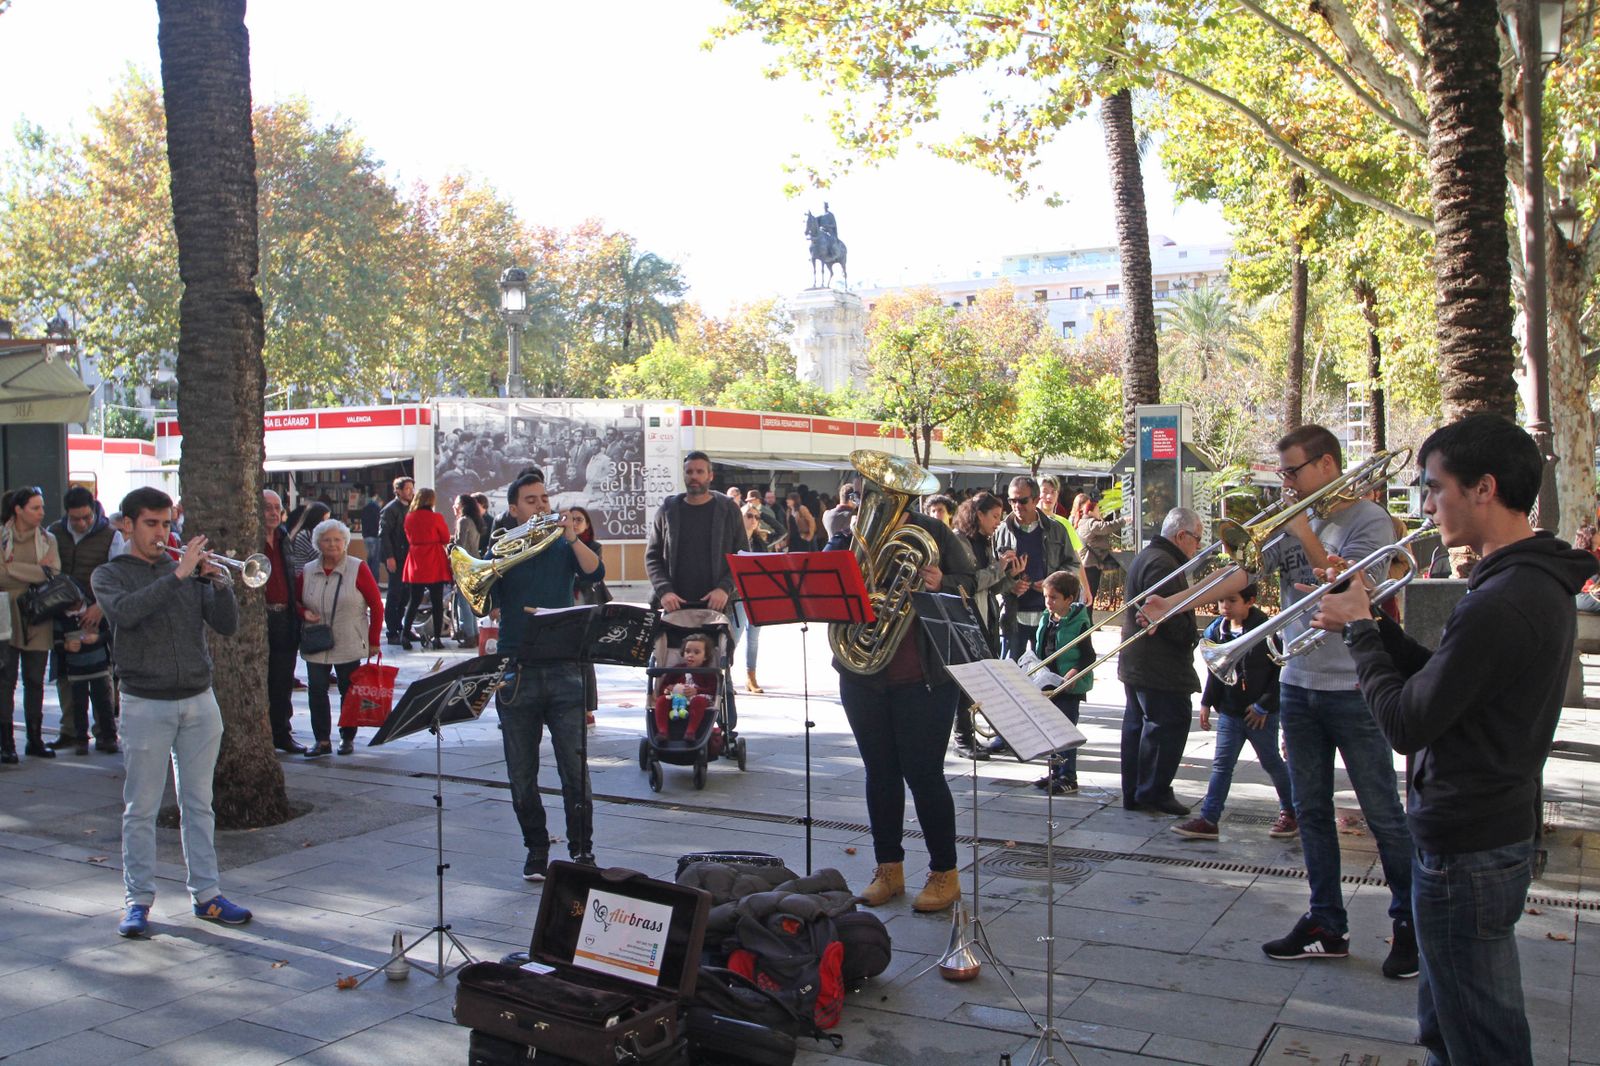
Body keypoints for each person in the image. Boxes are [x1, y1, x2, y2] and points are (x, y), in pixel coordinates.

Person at [1307, 414, 1596, 1063]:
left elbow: (1408, 722)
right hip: (1484, 833)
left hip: (1468, 848)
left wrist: (1358, 634)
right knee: (1448, 1029)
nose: (1427, 503)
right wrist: (1376, 622)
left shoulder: (1504, 598)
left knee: (1481, 1039)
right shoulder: (1523, 579)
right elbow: (1448, 682)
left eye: (1436, 487)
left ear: (1483, 488)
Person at [1143, 425, 1417, 979]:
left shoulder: (1369, 521)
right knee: (1310, 810)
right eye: (1284, 473)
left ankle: (1410, 923)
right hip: (1299, 680)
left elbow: (1348, 592)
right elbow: (1244, 573)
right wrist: (1173, 601)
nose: (1286, 482)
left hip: (1355, 687)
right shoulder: (1299, 517)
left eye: (1292, 471)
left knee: (1385, 812)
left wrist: (1304, 531)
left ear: (1326, 465)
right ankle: (1325, 922)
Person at [93, 486, 252, 937]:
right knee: (140, 809)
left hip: (199, 700)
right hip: (145, 701)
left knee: (199, 805)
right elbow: (126, 614)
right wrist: (180, 575)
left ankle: (207, 896)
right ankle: (138, 900)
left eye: (166, 524)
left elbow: (227, 624)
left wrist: (217, 583)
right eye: (151, 524)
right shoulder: (111, 575)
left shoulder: (183, 571)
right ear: (127, 525)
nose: (161, 533)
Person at [840, 475, 976, 914]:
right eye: (866, 489)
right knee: (879, 773)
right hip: (862, 673)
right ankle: (888, 868)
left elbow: (969, 579)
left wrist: (941, 581)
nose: (870, 497)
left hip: (922, 677)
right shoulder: (850, 533)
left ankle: (944, 873)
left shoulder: (932, 531)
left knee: (923, 774)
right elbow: (826, 588)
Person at [492, 473, 604, 882]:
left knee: (575, 770)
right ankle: (536, 849)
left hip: (563, 669)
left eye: (544, 498)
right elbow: (480, 599)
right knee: (521, 774)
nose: (540, 505)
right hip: (515, 672)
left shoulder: (562, 544)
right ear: (514, 509)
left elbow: (595, 572)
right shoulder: (501, 548)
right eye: (530, 500)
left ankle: (582, 849)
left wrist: (573, 536)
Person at [1171, 583, 1297, 841]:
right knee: (1222, 766)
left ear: (1249, 601)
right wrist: (1207, 702)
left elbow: (1280, 673)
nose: (1224, 607)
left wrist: (1264, 704)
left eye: (1231, 601)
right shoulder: (1218, 629)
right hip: (1230, 709)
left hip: (1260, 713)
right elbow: (1216, 670)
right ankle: (1209, 819)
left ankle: (1292, 811)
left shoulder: (1267, 630)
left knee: (1271, 761)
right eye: (1221, 602)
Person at [1107, 507, 1203, 816]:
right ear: (1181, 536)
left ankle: (1137, 792)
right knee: (1164, 725)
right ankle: (1152, 791)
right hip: (1158, 664)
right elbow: (1162, 615)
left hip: (1142, 662)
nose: (1198, 547)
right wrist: (1190, 633)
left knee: (1139, 725)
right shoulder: (1163, 563)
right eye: (1197, 540)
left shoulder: (1150, 556)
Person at [297, 518, 383, 757]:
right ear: (318, 543)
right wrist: (303, 612)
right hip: (316, 641)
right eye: (326, 540)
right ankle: (322, 740)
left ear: (345, 542)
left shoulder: (358, 567)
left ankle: (347, 737)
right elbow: (296, 601)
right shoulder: (307, 571)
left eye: (337, 540)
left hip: (348, 640)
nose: (332, 544)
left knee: (349, 690)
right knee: (316, 690)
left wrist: (374, 640)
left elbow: (376, 605)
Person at [47, 486, 121, 754]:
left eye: (86, 517)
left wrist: (100, 607)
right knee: (66, 673)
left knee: (101, 674)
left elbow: (117, 574)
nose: (81, 523)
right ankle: (71, 731)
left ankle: (105, 733)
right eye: (75, 518)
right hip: (64, 611)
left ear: (94, 510)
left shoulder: (111, 535)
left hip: (96, 610)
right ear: (67, 514)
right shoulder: (55, 532)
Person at [950, 492, 1017, 759]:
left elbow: (992, 586)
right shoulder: (959, 540)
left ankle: (970, 736)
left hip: (986, 615)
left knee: (977, 680)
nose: (998, 523)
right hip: (966, 616)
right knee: (966, 681)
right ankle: (962, 737)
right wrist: (999, 567)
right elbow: (972, 581)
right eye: (995, 516)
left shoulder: (986, 541)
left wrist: (1012, 576)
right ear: (979, 515)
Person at [1, 487, 63, 762]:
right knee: (6, 681)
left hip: (38, 616)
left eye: (42, 507)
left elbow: (53, 573)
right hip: (6, 616)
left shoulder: (48, 539)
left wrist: (11, 568)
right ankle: (6, 743)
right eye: (35, 508)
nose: (41, 513)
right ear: (18, 509)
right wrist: (37, 571)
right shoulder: (3, 537)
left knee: (35, 680)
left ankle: (35, 739)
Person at [994, 475, 1080, 660]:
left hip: (1048, 614)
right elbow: (992, 576)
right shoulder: (1000, 531)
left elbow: (1073, 564)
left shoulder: (1056, 529)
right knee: (1011, 676)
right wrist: (1011, 585)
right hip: (1012, 615)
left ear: (1035, 500)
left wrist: (1053, 583)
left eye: (1022, 500)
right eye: (1012, 500)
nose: (1017, 506)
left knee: (1046, 676)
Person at [1030, 570, 1092, 795]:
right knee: (1051, 729)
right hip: (1048, 683)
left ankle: (1069, 775)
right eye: (1046, 597)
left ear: (1069, 599)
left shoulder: (1080, 623)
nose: (1048, 602)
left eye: (1054, 598)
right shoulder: (1048, 618)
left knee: (1066, 730)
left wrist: (1073, 674)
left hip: (1068, 687)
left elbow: (1088, 656)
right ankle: (1055, 771)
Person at [260, 490, 307, 754]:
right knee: (261, 679)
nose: (273, 512)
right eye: (267, 507)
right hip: (261, 617)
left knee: (283, 680)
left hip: (284, 618)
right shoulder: (251, 540)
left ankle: (282, 733)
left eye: (277, 507)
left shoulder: (283, 537)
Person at [568, 505, 608, 722]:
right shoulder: (560, 545)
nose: (574, 523)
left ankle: (588, 708)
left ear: (587, 524)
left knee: (585, 658)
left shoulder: (594, 546)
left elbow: (590, 574)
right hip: (565, 606)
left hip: (586, 605)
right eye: (571, 519)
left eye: (579, 519)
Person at [401, 488, 451, 651]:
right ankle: (437, 638)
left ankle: (405, 634)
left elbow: (408, 536)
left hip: (416, 557)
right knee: (437, 602)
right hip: (433, 559)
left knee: (414, 600)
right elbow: (444, 538)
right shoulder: (436, 517)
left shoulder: (409, 517)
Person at [652, 633, 717, 739]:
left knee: (698, 701)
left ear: (705, 656)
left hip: (698, 700)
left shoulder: (708, 672)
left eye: (696, 652)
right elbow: (664, 686)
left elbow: (713, 690)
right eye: (687, 651)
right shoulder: (677, 669)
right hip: (676, 700)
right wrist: (669, 689)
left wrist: (697, 691)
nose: (690, 655)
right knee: (661, 700)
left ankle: (690, 731)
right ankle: (662, 731)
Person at [378, 476, 415, 645]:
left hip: (408, 557)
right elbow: (384, 534)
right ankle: (392, 631)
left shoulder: (411, 507)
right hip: (396, 557)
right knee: (395, 593)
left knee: (406, 594)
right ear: (398, 491)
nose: (411, 492)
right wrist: (389, 557)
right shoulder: (390, 509)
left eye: (412, 489)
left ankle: (401, 627)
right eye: (407, 489)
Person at [737, 502, 768, 693]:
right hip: (739, 592)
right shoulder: (733, 538)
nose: (754, 520)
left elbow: (780, 530)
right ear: (740, 518)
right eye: (749, 516)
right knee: (736, 636)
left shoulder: (760, 541)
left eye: (757, 517)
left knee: (754, 638)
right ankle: (724, 676)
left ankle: (751, 677)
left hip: (756, 592)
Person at [1074, 495, 1124, 604]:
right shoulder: (1091, 523)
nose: (1099, 513)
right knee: (1089, 595)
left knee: (1087, 595)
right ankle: (1086, 619)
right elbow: (1106, 527)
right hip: (1090, 564)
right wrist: (1123, 521)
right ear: (1091, 512)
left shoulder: (1082, 522)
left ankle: (1086, 619)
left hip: (1088, 563)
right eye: (1097, 510)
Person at [451, 494, 483, 649]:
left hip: (465, 566)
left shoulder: (463, 521)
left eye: (456, 504)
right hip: (475, 564)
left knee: (463, 604)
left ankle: (469, 636)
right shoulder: (474, 520)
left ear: (462, 505)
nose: (454, 507)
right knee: (470, 604)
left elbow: (460, 546)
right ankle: (475, 635)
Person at [1038, 476, 1087, 558]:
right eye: (1045, 492)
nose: (1049, 496)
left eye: (1053, 492)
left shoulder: (1064, 523)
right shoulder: (1026, 520)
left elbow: (1076, 558)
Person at [284, 501, 330, 576]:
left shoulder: (314, 534)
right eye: (325, 519)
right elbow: (321, 558)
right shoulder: (304, 535)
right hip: (304, 575)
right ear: (317, 519)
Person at [357, 488, 383, 583]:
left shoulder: (365, 508)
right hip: (375, 536)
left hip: (366, 536)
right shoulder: (377, 509)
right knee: (375, 561)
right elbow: (378, 523)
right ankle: (375, 583)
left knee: (370, 560)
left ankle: (369, 582)